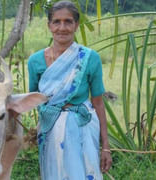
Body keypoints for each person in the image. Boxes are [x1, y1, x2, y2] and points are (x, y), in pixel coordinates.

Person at [27, 1, 112, 179]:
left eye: (68, 21)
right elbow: (33, 99)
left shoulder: (89, 58)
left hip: (82, 127)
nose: (62, 27)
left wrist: (105, 147)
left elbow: (98, 103)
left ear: (76, 25)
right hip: (49, 129)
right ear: (49, 25)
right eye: (57, 22)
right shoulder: (35, 61)